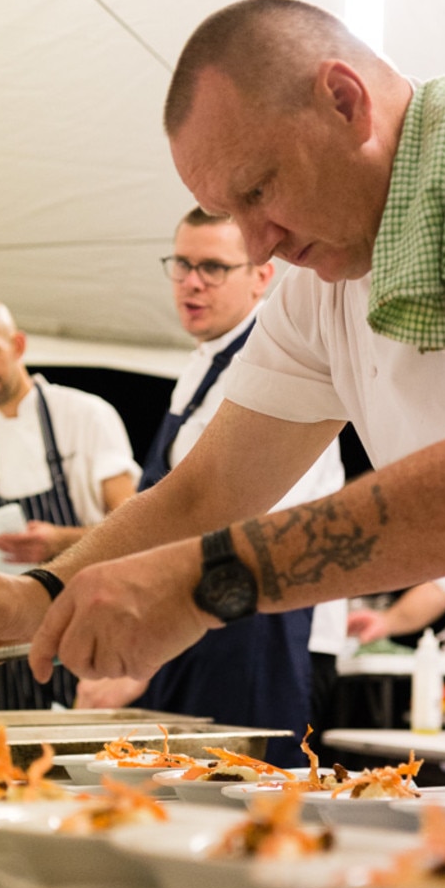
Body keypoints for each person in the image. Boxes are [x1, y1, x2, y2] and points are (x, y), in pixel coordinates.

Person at [0, 0, 445, 754]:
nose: (260, 245)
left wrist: (205, 580)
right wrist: (39, 592)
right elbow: (206, 488)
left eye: (258, 190)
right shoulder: (317, 290)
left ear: (345, 101)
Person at [76, 207, 347, 764]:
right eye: (181, 264)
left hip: (257, 625)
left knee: (247, 812)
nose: (191, 282)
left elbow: (247, 534)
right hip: (199, 617)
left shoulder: (281, 360)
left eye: (213, 268)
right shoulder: (200, 365)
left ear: (262, 277)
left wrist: (144, 650)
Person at [0, 296, 140, 710]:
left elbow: (138, 531)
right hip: (0, 649)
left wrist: (60, 542)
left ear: (19, 346)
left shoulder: (87, 417)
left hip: (82, 634)